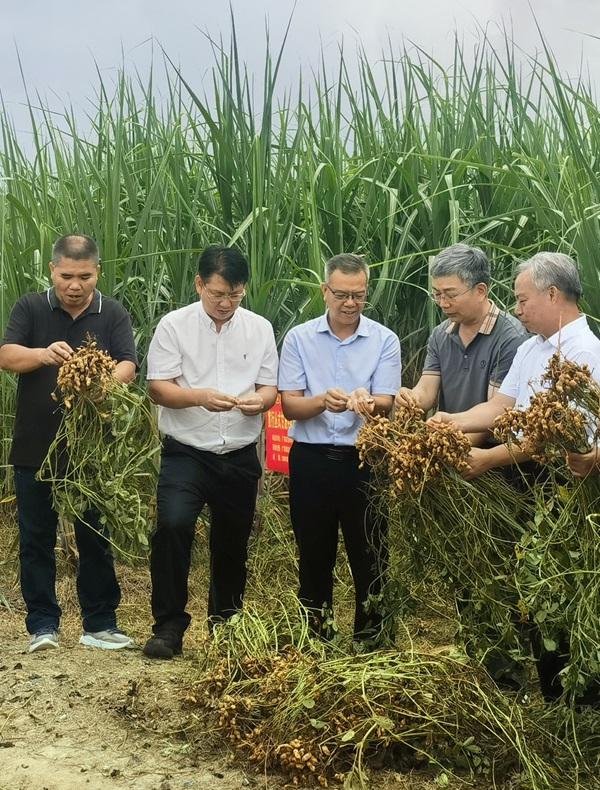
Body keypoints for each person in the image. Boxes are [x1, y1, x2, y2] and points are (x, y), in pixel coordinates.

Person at [431, 251, 600, 700]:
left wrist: (489, 460)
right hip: (525, 478)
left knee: (559, 589)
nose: (518, 309)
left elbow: (559, 438)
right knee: (530, 588)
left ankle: (575, 701)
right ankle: (551, 693)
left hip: (564, 487)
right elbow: (502, 409)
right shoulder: (531, 347)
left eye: (523, 300)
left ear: (552, 294)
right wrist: (450, 420)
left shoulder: (583, 352)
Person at [0, 234, 138, 653]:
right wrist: (42, 355)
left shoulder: (111, 311)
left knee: (95, 533)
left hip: (91, 449)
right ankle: (42, 625)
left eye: (85, 276)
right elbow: (7, 355)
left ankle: (99, 623)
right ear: (52, 271)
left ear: (97, 271)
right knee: (36, 536)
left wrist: (102, 385)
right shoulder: (30, 306)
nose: (75, 285)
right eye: (66, 276)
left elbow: (129, 363)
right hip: (35, 445)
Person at [143, 245, 278, 659]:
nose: (225, 303)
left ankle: (226, 625)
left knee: (233, 540)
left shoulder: (260, 329)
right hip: (187, 451)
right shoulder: (174, 326)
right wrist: (199, 396)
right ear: (200, 284)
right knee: (173, 525)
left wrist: (262, 402)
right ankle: (168, 626)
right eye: (217, 293)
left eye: (235, 295)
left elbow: (269, 387)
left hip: (238, 453)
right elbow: (157, 388)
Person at [278, 253, 401, 644]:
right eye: (342, 295)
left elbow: (387, 400)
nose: (350, 304)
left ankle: (373, 638)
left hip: (364, 461)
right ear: (324, 292)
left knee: (371, 553)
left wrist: (369, 401)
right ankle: (316, 637)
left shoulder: (384, 339)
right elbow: (290, 405)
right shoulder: (299, 338)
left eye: (360, 296)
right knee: (313, 554)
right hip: (311, 461)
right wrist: (322, 402)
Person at [395, 243, 527, 443]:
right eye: (437, 294)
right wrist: (411, 398)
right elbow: (427, 391)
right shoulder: (441, 334)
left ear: (480, 290)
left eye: (451, 294)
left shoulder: (510, 338)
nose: (443, 303)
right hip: (449, 442)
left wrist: (453, 449)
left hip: (489, 456)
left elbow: (498, 412)